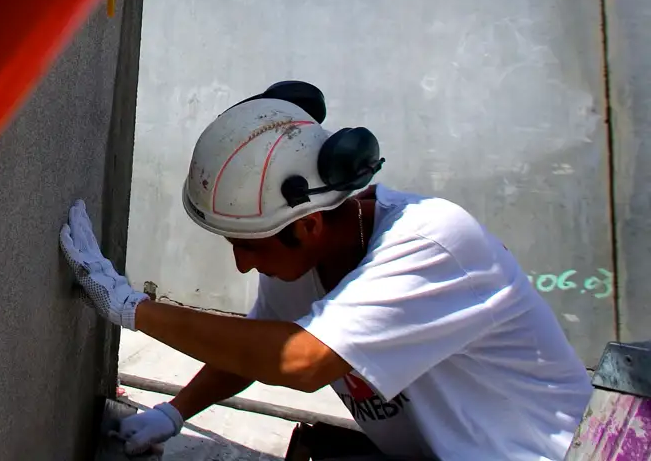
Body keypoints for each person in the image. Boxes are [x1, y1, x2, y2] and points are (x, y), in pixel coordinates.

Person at [60, 81, 592, 460]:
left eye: (247, 246)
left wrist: (132, 308)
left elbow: (300, 361)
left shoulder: (432, 242)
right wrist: (174, 413)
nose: (242, 263)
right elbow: (256, 348)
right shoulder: (302, 254)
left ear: (309, 224)